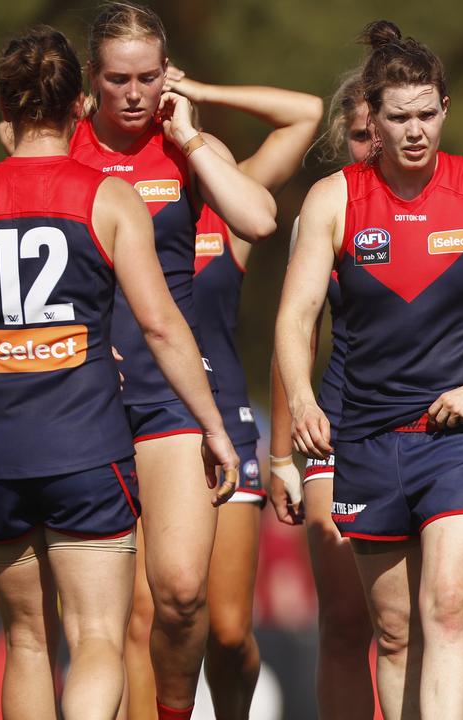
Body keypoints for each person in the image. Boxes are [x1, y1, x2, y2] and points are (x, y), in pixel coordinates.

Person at [0, 26, 237, 719]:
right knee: (99, 637)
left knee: (23, 640)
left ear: (5, 114)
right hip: (83, 443)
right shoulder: (107, 199)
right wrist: (214, 427)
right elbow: (163, 325)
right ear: (78, 106)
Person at [276, 20, 463, 719]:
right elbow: (294, 318)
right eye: (399, 118)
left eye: (427, 115)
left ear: (446, 109)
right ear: (371, 119)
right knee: (396, 632)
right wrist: (301, 399)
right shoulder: (334, 200)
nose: (415, 132)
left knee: (445, 606)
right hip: (369, 437)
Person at [70, 3, 276, 718]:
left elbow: (256, 218)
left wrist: (191, 136)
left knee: (184, 594)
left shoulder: (183, 144)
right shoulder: (63, 147)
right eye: (118, 79)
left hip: (175, 393)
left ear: (168, 76)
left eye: (149, 77)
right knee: (129, 611)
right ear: (92, 80)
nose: (135, 94)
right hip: (84, 397)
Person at [161, 65, 322, 719]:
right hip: (147, 418)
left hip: (227, 421)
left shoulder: (234, 215)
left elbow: (306, 111)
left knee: (227, 631)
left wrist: (202, 97)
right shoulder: (124, 211)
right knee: (159, 613)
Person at [266, 68, 377, 719]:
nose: (373, 147)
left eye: (380, 131)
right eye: (359, 135)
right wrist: (282, 454)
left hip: (430, 436)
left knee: (420, 620)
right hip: (337, 428)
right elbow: (294, 335)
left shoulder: (462, 195)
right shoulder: (323, 206)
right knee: (342, 622)